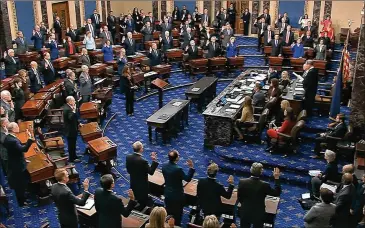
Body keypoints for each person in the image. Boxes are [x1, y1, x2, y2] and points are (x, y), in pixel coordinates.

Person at [238, 163, 281, 228]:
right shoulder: (264, 185)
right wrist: (277, 178)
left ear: (251, 170)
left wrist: (245, 204)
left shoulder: (242, 182)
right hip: (258, 213)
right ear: (261, 172)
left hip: (245, 211)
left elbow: (240, 197)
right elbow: (276, 193)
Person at [3, 122, 34, 206]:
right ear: (13, 129)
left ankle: (23, 196)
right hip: (17, 166)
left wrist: (24, 159)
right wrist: (30, 139)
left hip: (16, 161)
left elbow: (16, 150)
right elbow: (23, 149)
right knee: (20, 184)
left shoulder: (8, 137)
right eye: (17, 126)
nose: (18, 127)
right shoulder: (12, 140)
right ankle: (22, 202)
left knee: (22, 182)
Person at [162, 150, 195, 226]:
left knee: (169, 212)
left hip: (167, 194)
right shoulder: (178, 169)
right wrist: (191, 168)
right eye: (178, 155)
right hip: (177, 196)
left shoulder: (164, 166)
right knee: (177, 215)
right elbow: (187, 179)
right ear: (176, 158)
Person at [126, 141, 158, 209]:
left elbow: (128, 170)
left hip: (133, 181)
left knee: (136, 195)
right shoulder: (143, 161)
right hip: (142, 185)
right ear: (141, 149)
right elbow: (151, 172)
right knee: (143, 200)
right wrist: (154, 161)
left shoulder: (128, 157)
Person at [63, 96, 81, 163]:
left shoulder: (68, 107)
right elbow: (70, 118)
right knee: (71, 145)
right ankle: (72, 159)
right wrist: (73, 110)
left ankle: (74, 156)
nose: (75, 101)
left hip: (73, 128)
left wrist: (78, 123)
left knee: (73, 144)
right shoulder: (67, 109)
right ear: (69, 101)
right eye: (73, 100)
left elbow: (74, 118)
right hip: (70, 131)